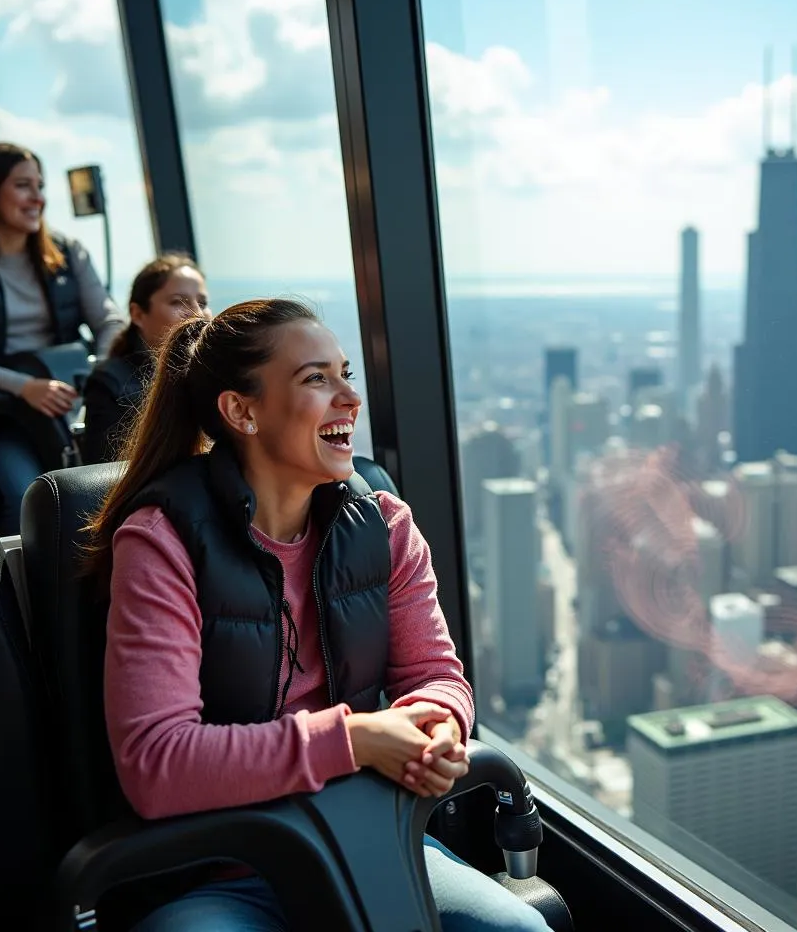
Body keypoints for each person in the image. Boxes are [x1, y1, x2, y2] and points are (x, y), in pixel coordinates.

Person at [85, 298, 550, 931]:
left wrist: (439, 725)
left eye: (345, 373)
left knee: (518, 929)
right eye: (315, 379)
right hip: (219, 867)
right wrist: (356, 739)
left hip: (363, 835)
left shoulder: (384, 525)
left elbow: (436, 676)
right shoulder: (162, 541)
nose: (349, 398)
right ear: (242, 411)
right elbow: (157, 764)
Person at [0, 141, 125, 533]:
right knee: (23, 493)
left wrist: (99, 374)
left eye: (40, 186)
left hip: (65, 409)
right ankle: (23, 594)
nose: (37, 198)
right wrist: (24, 387)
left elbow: (111, 322)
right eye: (23, 186)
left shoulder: (67, 252)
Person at [82, 254, 210, 463]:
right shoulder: (110, 384)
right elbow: (103, 475)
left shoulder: (218, 375)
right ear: (138, 314)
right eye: (178, 302)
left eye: (203, 303)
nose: (197, 313)